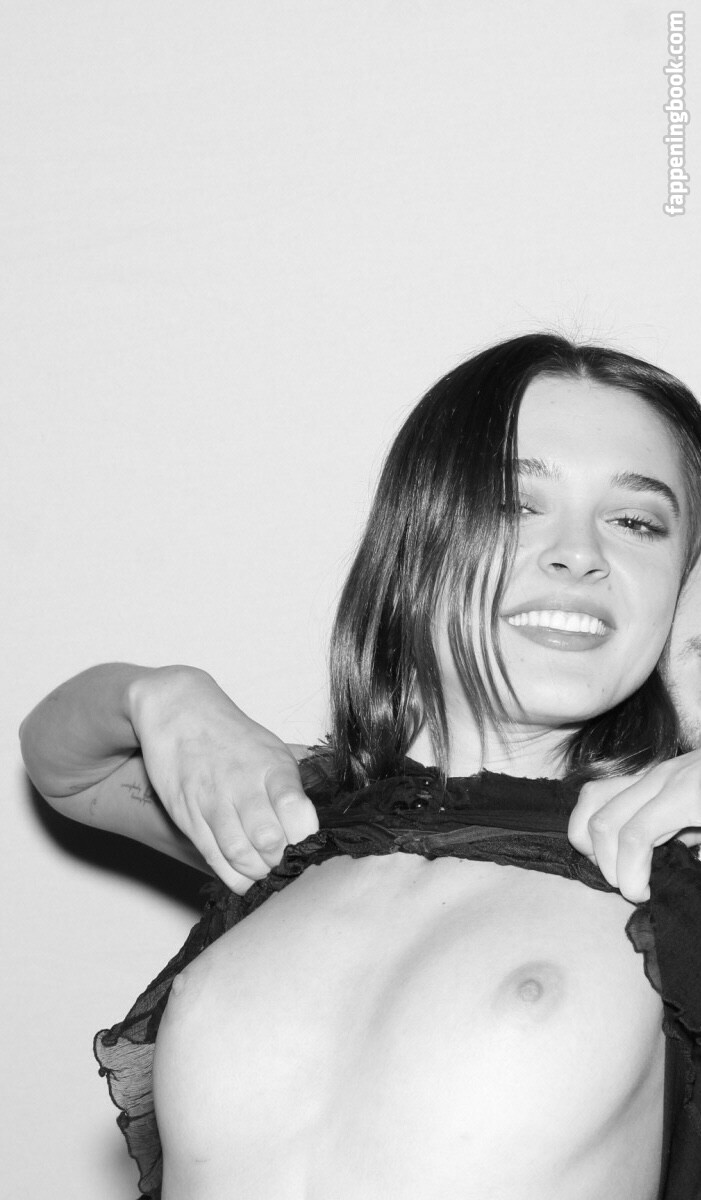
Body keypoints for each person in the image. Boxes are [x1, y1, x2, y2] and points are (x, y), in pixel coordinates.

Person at [20, 333, 701, 1200]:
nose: (578, 552)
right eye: (512, 503)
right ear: (417, 537)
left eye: (636, 522)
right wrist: (158, 695)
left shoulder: (672, 859)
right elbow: (68, 769)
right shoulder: (294, 824)